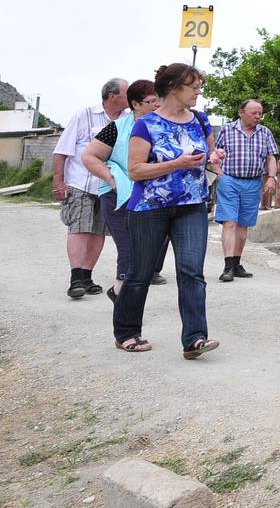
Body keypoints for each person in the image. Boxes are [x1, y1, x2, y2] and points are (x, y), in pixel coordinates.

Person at [113, 64, 225, 357]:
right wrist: (178, 163)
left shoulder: (200, 120)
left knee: (192, 272)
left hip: (191, 206)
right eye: (194, 86)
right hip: (150, 208)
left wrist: (214, 157)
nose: (199, 92)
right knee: (140, 272)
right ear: (174, 88)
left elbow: (210, 158)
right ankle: (126, 332)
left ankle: (195, 339)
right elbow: (136, 170)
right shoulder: (146, 124)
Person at [81, 79, 169, 299]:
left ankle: (120, 291)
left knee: (146, 250)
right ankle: (123, 296)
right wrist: (111, 179)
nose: (157, 105)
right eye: (151, 101)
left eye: (159, 100)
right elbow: (90, 156)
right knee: (129, 247)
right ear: (135, 104)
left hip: (153, 198)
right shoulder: (118, 128)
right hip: (118, 196)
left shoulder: (165, 127)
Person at [52, 78, 128, 298]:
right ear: (113, 96)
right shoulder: (84, 115)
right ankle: (76, 277)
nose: (129, 96)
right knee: (79, 228)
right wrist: (58, 181)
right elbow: (61, 151)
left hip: (109, 186)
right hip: (81, 182)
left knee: (98, 232)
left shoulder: (127, 119)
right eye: (126, 93)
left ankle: (86, 275)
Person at [212, 98, 280, 281]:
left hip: (253, 182)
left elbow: (271, 157)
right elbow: (215, 154)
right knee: (230, 222)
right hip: (230, 181)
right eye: (254, 113)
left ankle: (236, 263)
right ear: (241, 113)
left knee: (243, 224)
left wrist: (271, 178)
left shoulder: (265, 132)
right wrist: (220, 174)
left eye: (260, 113)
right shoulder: (227, 130)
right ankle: (227, 267)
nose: (258, 117)